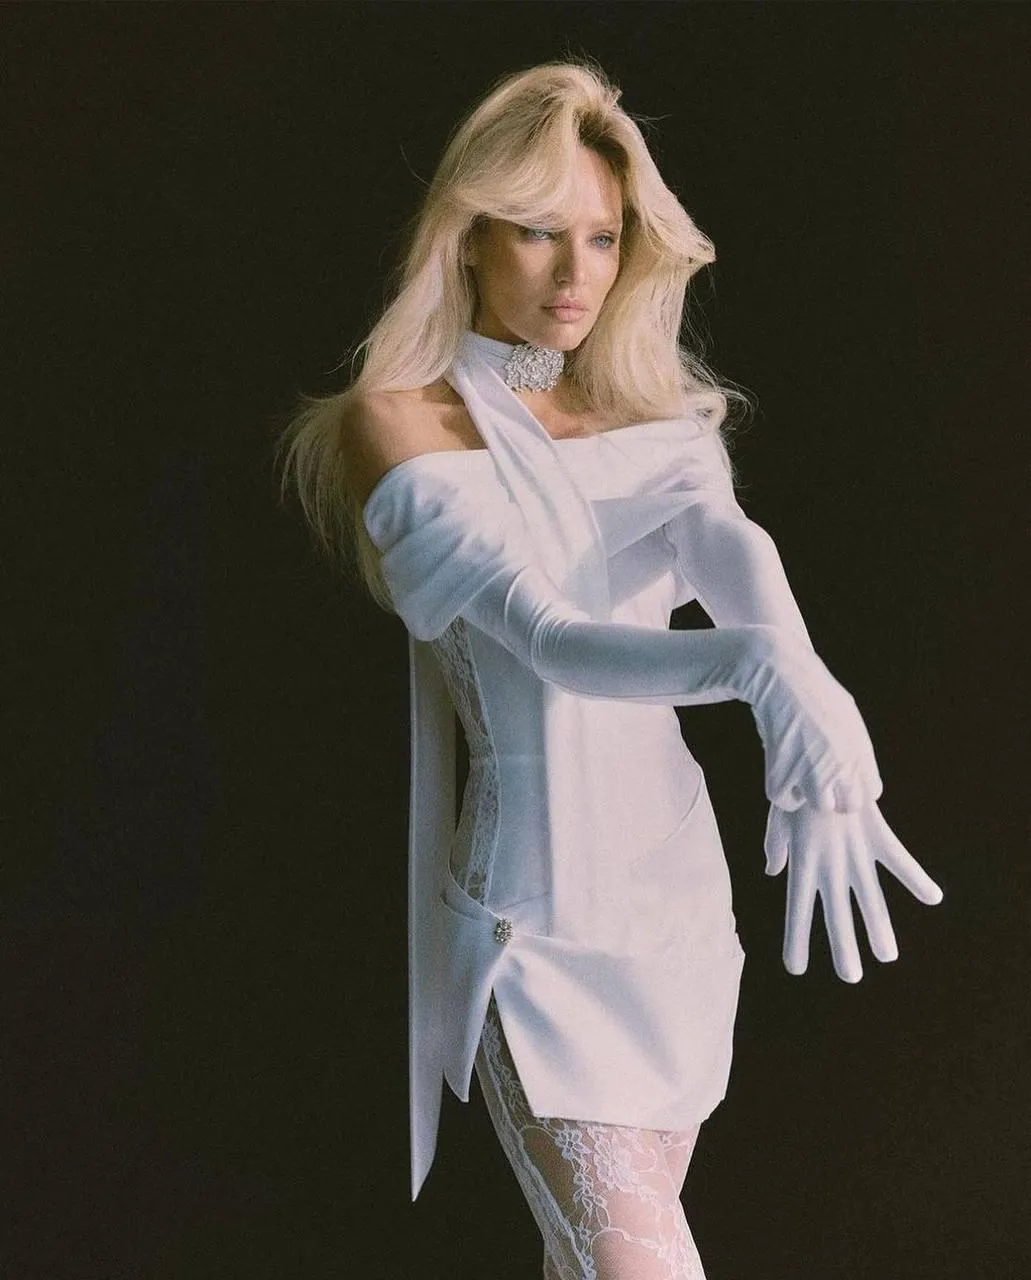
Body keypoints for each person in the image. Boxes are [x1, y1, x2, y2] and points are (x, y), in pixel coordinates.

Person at [278, 59, 943, 1280]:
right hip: (535, 932)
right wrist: (752, 668)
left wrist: (798, 664)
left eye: (602, 234)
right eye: (537, 233)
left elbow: (728, 545)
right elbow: (543, 637)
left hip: (674, 918)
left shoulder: (654, 417)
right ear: (469, 237)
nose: (577, 272)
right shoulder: (400, 418)